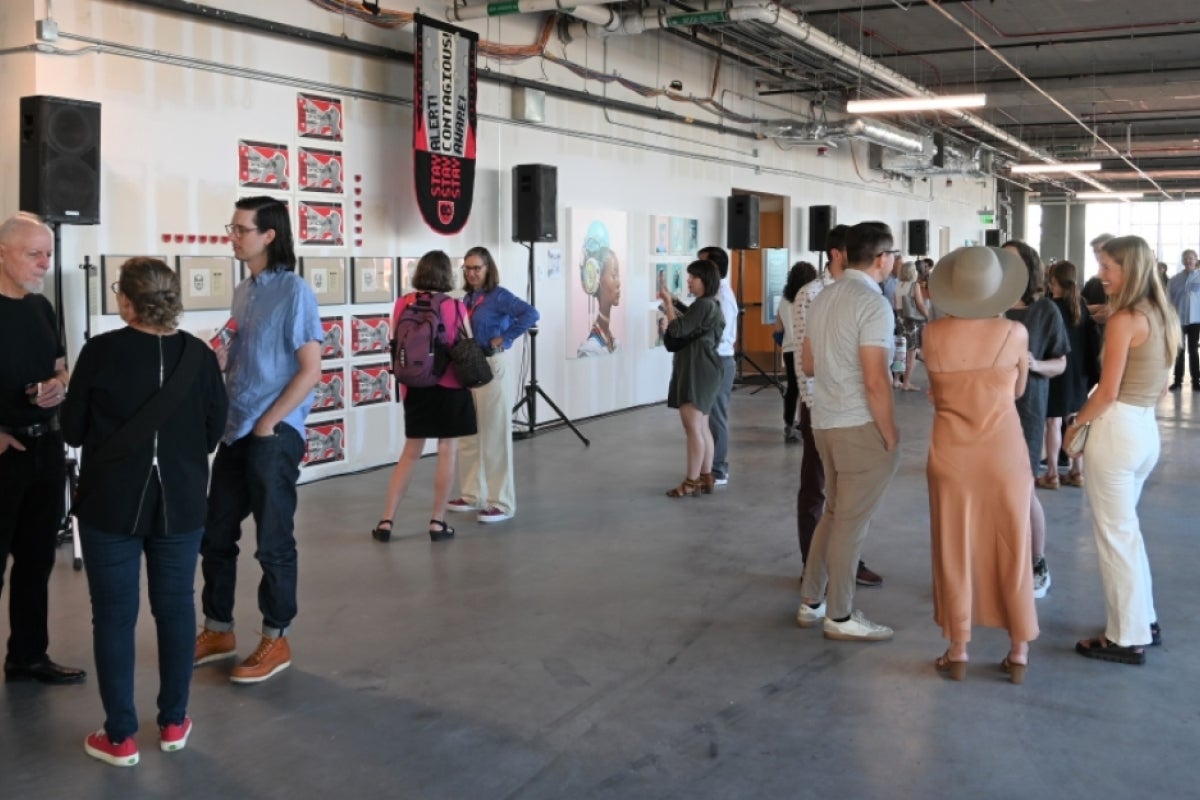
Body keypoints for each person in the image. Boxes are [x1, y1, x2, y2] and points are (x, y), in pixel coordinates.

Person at [62, 258, 227, 766]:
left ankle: (121, 737)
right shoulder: (199, 356)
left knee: (113, 617)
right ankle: (174, 722)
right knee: (176, 607)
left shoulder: (100, 351)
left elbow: (71, 430)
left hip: (111, 501)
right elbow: (212, 430)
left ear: (127, 301)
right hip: (180, 503)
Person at [194, 196, 322, 684]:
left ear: (269, 234)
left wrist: (270, 424)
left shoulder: (294, 291)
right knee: (216, 533)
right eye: (232, 227)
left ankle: (276, 635)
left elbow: (311, 370)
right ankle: (219, 628)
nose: (234, 235)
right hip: (235, 428)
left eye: (242, 228)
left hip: (272, 432)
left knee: (272, 540)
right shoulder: (244, 290)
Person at [923, 246, 1037, 683]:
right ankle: (1018, 652)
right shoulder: (1015, 333)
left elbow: (936, 392)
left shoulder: (932, 336)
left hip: (950, 454)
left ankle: (958, 650)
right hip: (1003, 453)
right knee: (1013, 546)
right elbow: (1019, 392)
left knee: (954, 546)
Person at [1071, 235, 1179, 665]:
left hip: (1116, 432)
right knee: (1126, 534)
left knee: (1115, 538)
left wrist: (1075, 424)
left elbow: (1107, 391)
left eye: (1107, 267)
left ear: (1129, 270)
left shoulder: (1125, 319)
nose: (1100, 275)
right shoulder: (1160, 313)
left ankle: (1126, 637)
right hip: (1144, 431)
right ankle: (1142, 620)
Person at [796, 222, 900, 641]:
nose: (894, 261)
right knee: (850, 524)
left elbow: (808, 365)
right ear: (880, 258)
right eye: (892, 254)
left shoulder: (823, 298)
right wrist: (890, 435)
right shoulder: (873, 305)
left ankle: (811, 601)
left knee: (834, 514)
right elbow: (876, 379)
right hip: (859, 425)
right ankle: (839, 615)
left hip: (824, 420)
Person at [0, 212, 86, 686]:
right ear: (2, 253)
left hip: (43, 447)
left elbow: (61, 367)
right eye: (34, 254)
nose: (44, 264)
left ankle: (27, 657)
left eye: (49, 255)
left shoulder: (42, 308)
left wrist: (57, 386)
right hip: (2, 454)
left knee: (36, 561)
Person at [372, 251, 477, 540]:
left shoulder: (402, 303)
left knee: (410, 453)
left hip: (415, 388)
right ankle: (437, 521)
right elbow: (466, 344)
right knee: (447, 450)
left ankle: (386, 521)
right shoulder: (454, 306)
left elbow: (395, 343)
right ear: (447, 275)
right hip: (450, 387)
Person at [446, 247, 538, 523]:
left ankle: (502, 502)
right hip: (469, 368)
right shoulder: (467, 298)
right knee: (469, 434)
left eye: (477, 268)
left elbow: (530, 314)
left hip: (493, 367)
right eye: (468, 268)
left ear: (488, 269)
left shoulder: (500, 296)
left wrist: (505, 338)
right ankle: (474, 494)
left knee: (496, 435)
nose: (472, 273)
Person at [1003, 240, 1068, 599]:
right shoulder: (987, 308)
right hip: (987, 410)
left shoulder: (1045, 311)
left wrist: (1034, 364)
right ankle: (1000, 561)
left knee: (1023, 489)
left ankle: (1037, 562)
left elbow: (1060, 362)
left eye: (1014, 263)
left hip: (1027, 407)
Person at [659, 260, 725, 497]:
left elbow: (677, 329)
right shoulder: (710, 305)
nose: (689, 280)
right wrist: (674, 301)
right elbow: (692, 319)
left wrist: (668, 304)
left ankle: (691, 481)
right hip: (706, 367)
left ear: (704, 280)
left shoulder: (703, 305)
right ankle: (706, 476)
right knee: (702, 425)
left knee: (692, 427)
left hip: (697, 369)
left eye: (693, 277)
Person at [1038, 261, 1100, 489]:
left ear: (1052, 280)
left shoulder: (1048, 307)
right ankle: (1077, 471)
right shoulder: (1081, 305)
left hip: (1057, 368)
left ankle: (1052, 473)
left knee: (1053, 422)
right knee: (1075, 420)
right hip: (1079, 372)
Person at [698, 246, 736, 486]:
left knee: (716, 416)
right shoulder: (713, 296)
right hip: (713, 360)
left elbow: (718, 333)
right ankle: (708, 466)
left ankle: (719, 468)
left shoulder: (722, 297)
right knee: (708, 416)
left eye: (701, 266)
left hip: (719, 360)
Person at [774, 261, 816, 442]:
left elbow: (777, 328)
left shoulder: (784, 300)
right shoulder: (810, 297)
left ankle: (789, 424)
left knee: (793, 388)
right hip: (807, 348)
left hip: (789, 349)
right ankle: (806, 423)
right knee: (810, 387)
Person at [576, 222, 621, 357]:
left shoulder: (616, 345)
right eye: (614, 275)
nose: (619, 283)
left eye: (619, 275)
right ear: (596, 279)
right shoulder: (589, 352)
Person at [1166, 248, 1200, 391]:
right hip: (1178, 320)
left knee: (1193, 351)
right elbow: (1168, 300)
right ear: (1182, 261)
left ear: (1196, 260)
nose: (1188, 261)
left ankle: (1196, 382)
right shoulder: (1174, 280)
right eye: (1185, 258)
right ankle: (1177, 381)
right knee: (1179, 351)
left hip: (1195, 320)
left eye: (1191, 258)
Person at [893, 260, 928, 391]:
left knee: (900, 352)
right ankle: (906, 382)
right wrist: (928, 316)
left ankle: (896, 380)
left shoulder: (898, 285)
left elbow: (896, 305)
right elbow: (920, 304)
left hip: (900, 321)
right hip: (912, 323)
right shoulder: (914, 286)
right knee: (911, 353)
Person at [1081, 233, 1115, 325]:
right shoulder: (1093, 281)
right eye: (1095, 251)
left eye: (1100, 250)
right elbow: (1080, 306)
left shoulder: (1124, 280)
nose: (1097, 255)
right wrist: (1096, 309)